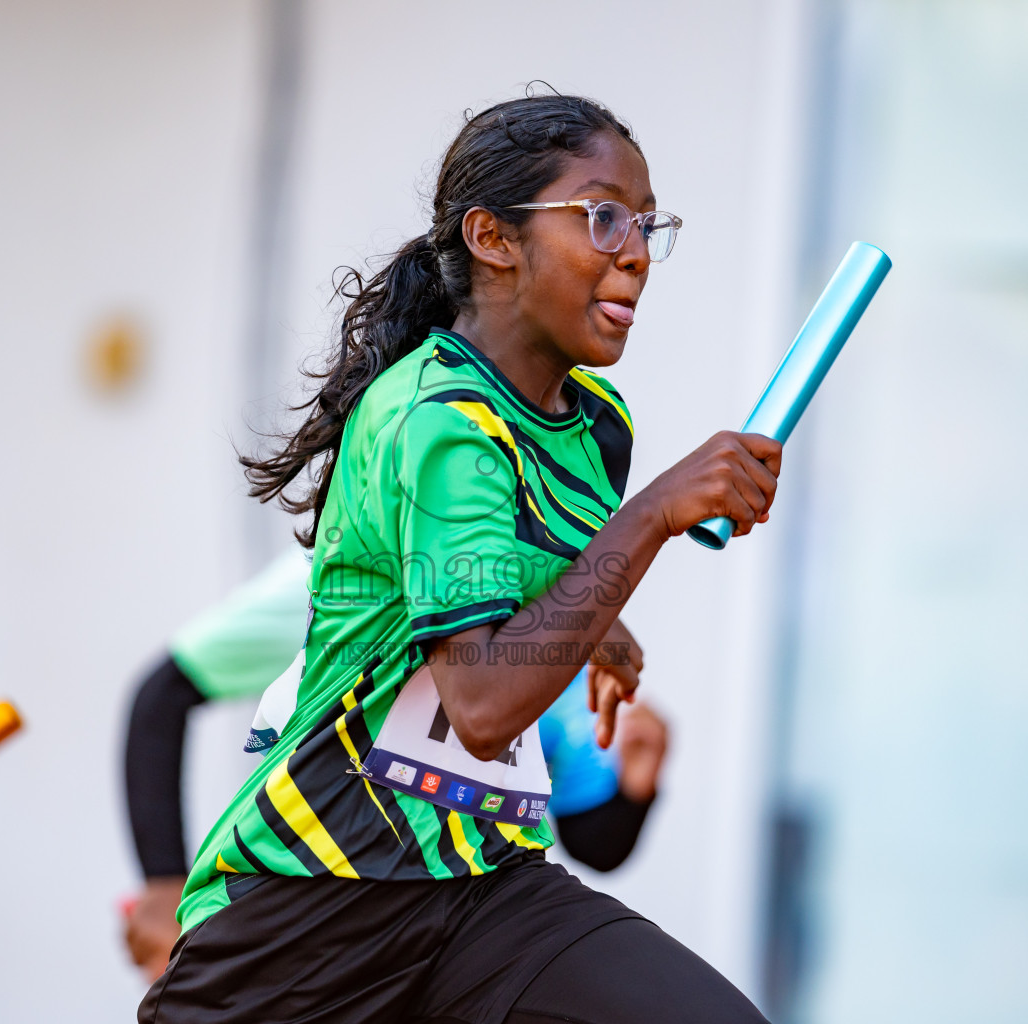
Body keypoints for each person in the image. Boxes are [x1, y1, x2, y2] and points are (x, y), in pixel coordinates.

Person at [139, 93, 780, 1024]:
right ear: (493, 238)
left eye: (647, 224)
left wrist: (602, 624)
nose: (635, 251)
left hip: (482, 887)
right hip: (318, 902)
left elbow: (515, 583)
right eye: (603, 216)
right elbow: (481, 702)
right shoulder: (437, 420)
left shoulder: (596, 427)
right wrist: (650, 518)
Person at [121, 549, 671, 981]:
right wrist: (165, 885)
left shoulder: (556, 606)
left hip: (472, 926)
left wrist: (639, 781)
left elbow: (593, 838)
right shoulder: (348, 575)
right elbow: (162, 697)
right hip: (315, 911)